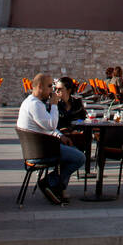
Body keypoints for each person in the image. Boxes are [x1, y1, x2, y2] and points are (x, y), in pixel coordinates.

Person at [16, 73, 85, 205]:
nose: (52, 91)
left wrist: (61, 136)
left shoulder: (32, 103)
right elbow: (51, 124)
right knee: (79, 158)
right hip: (40, 152)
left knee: (73, 151)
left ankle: (56, 188)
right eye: (49, 86)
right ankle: (50, 183)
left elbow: (47, 127)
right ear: (40, 87)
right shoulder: (35, 105)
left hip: (39, 147)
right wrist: (54, 105)